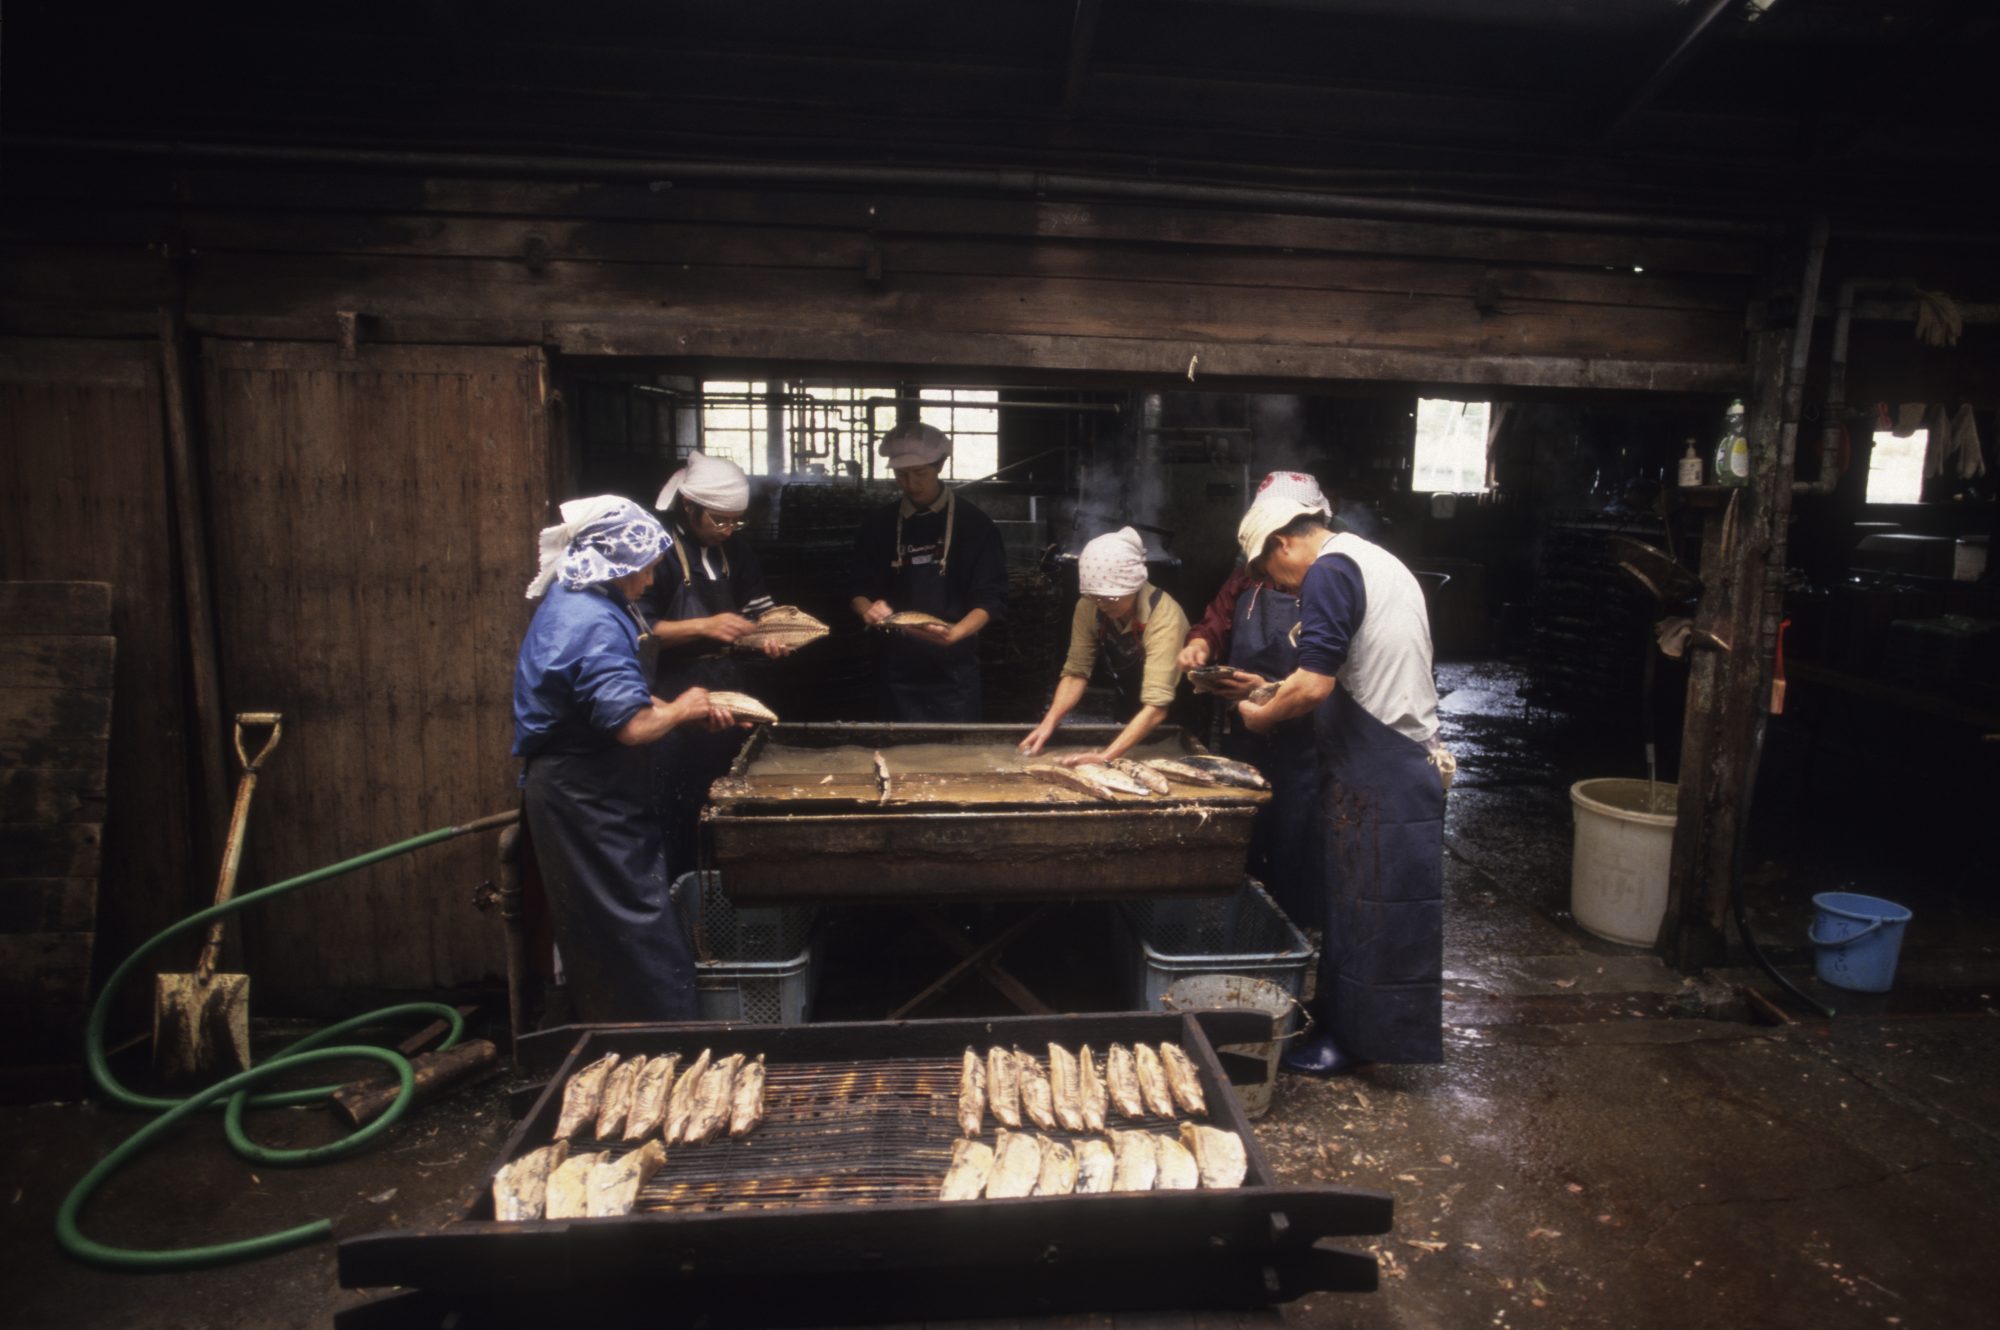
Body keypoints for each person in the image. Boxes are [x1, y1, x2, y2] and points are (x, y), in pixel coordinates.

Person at [1234, 494, 1446, 1075]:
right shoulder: (1368, 557)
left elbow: (1314, 688)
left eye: (1269, 572)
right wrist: (1270, 687)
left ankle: (1356, 1043)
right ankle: (1351, 1029)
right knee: (1365, 904)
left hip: (1381, 763)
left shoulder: (1329, 569)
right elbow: (1335, 667)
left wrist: (1261, 714)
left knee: (1369, 908)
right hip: (1396, 758)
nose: (1276, 585)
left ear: (1283, 543)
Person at [512, 496, 743, 1023]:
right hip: (585, 791)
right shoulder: (593, 622)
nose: (653, 575)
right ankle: (660, 1045)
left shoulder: (583, 600)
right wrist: (683, 705)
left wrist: (687, 712)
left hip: (584, 784)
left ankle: (624, 1032)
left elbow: (614, 698)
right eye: (649, 565)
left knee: (611, 920)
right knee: (634, 919)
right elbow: (633, 726)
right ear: (618, 562)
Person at [1175, 472, 1331, 919]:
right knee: (1249, 829)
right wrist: (1200, 643)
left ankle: (1294, 927)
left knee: (1297, 835)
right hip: (1247, 731)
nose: (1263, 563)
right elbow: (1216, 619)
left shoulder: (1328, 579)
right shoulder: (1246, 577)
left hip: (1305, 736)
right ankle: (1250, 919)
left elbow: (1324, 676)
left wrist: (1265, 689)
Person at [639, 451, 792, 881]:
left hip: (725, 682)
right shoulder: (659, 553)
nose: (727, 530)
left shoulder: (734, 551)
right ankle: (679, 889)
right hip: (670, 688)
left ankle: (720, 887)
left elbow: (760, 611)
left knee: (723, 790)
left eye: (735, 521)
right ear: (690, 508)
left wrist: (771, 635)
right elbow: (641, 628)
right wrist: (705, 625)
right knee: (676, 800)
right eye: (718, 520)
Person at [849, 422, 1009, 721]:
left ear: (940, 465)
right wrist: (867, 609)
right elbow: (858, 589)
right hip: (896, 667)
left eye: (920, 473)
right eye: (901, 475)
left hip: (954, 672)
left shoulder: (975, 525)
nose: (911, 483)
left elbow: (991, 599)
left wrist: (956, 633)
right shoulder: (878, 525)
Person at [1019, 527, 1189, 765]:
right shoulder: (1089, 606)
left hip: (1171, 713)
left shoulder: (1165, 617)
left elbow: (1157, 707)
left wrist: (1105, 757)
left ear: (1133, 585)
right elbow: (1076, 672)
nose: (1102, 604)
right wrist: (1048, 724)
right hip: (1130, 702)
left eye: (1110, 598)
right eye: (1095, 597)